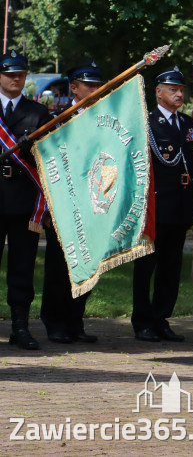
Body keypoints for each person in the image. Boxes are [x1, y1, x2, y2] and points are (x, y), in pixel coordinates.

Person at [132, 65, 193, 343]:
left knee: (171, 267)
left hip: (180, 206)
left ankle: (161, 318)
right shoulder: (146, 121)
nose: (178, 94)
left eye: (181, 90)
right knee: (146, 266)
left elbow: (192, 162)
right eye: (172, 89)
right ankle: (142, 322)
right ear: (158, 92)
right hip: (156, 206)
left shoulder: (187, 122)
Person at [40, 61, 103, 344]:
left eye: (96, 85)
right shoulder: (57, 119)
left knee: (89, 266)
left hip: (94, 202)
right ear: (74, 88)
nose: (93, 89)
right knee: (59, 266)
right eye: (87, 84)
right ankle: (55, 322)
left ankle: (76, 320)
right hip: (64, 204)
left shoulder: (105, 120)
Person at [0, 50, 51, 350]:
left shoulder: (37, 113)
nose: (15, 78)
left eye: (20, 73)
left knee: (22, 267)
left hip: (24, 202)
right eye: (9, 73)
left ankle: (20, 326)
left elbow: (48, 161)